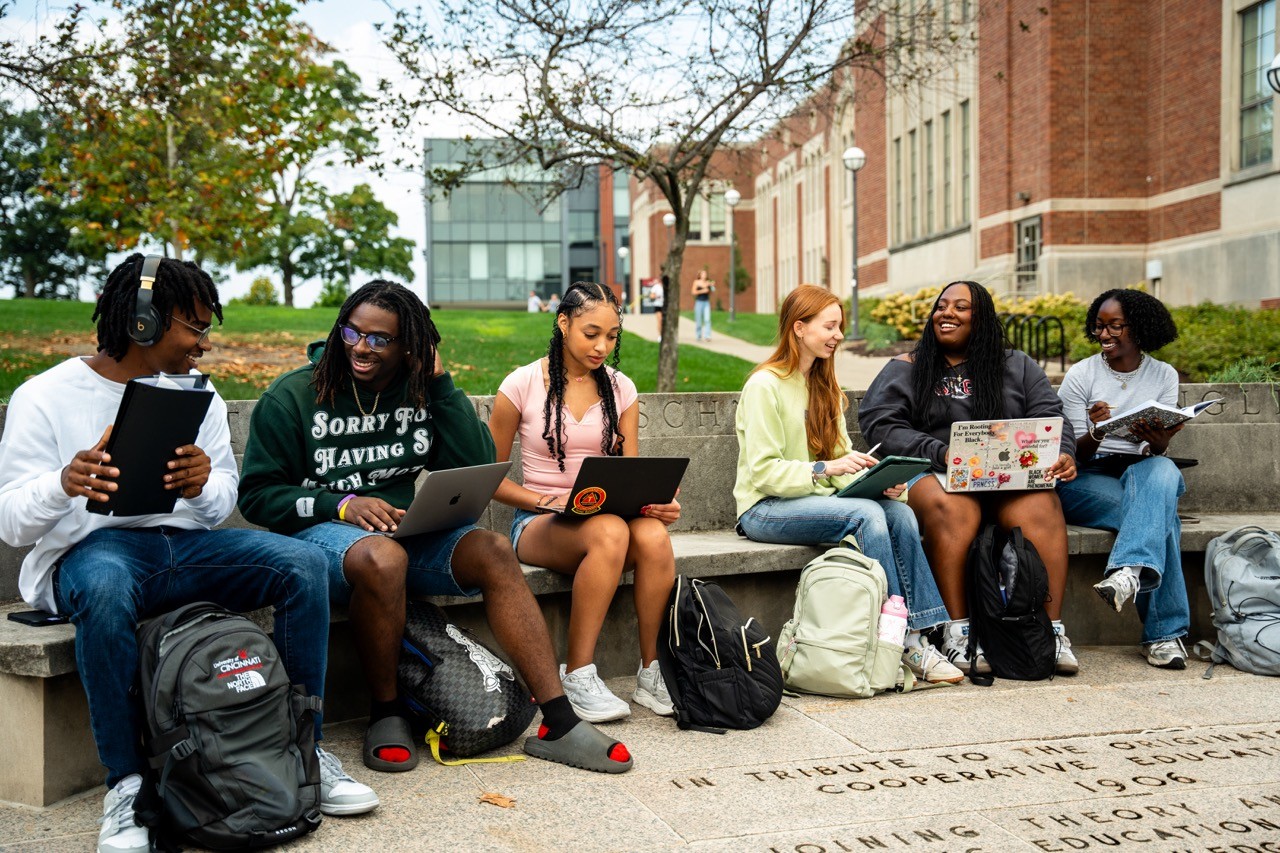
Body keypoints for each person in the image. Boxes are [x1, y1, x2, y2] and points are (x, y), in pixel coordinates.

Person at [0, 254, 378, 853]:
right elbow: (10, 523)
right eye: (195, 328)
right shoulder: (43, 396)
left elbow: (223, 501)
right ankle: (127, 786)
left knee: (303, 565)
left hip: (190, 548)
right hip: (96, 552)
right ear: (143, 322)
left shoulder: (195, 392)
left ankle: (303, 751)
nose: (204, 344)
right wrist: (63, 484)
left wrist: (203, 485)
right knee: (102, 586)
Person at [238, 280, 633, 777]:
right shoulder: (294, 395)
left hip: (402, 530)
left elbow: (476, 463)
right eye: (352, 332)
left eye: (380, 339)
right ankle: (387, 712)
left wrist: (441, 385)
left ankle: (558, 720)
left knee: (490, 549)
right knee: (384, 558)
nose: (362, 347)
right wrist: (341, 505)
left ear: (412, 347)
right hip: (321, 534)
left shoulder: (421, 389)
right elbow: (255, 495)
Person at [734, 285, 964, 685]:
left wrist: (885, 485)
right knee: (865, 514)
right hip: (765, 509)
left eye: (839, 326)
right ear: (799, 328)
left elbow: (844, 466)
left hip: (816, 500)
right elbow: (764, 473)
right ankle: (895, 637)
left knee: (899, 513)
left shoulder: (826, 389)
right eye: (830, 326)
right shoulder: (764, 386)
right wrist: (825, 467)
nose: (839, 335)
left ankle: (918, 634)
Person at [858, 280, 1080, 676]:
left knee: (1042, 504)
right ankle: (957, 634)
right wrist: (941, 452)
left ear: (982, 320)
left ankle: (1050, 630)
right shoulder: (906, 368)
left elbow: (1050, 413)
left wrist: (1062, 452)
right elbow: (881, 424)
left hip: (1008, 477)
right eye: (941, 306)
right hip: (936, 474)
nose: (947, 313)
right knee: (953, 508)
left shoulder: (1017, 365)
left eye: (961, 307)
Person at [489, 282, 679, 721]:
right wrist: (546, 500)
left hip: (604, 517)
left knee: (651, 535)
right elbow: (489, 477)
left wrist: (659, 503)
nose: (602, 346)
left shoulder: (621, 389)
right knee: (610, 531)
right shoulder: (521, 384)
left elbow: (631, 475)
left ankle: (652, 671)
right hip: (538, 524)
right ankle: (576, 673)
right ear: (563, 322)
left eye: (612, 337)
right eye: (591, 333)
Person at [1055, 289, 1193, 669]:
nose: (1104, 334)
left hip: (1138, 472)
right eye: (1099, 326)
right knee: (1163, 519)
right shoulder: (1081, 375)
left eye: (1115, 326)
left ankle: (1127, 574)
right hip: (1084, 476)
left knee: (1162, 468)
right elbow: (1068, 452)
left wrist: (1160, 441)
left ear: (1141, 328)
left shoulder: (1163, 375)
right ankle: (1165, 636)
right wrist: (1097, 431)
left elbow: (1156, 455)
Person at [692, 269, 715, 341]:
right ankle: (698, 335)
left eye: (705, 274)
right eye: (703, 274)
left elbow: (712, 291)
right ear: (700, 275)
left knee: (707, 319)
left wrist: (712, 286)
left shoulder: (708, 283)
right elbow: (693, 292)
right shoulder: (696, 282)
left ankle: (707, 336)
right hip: (699, 302)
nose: (704, 275)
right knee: (698, 320)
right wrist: (702, 290)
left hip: (706, 302)